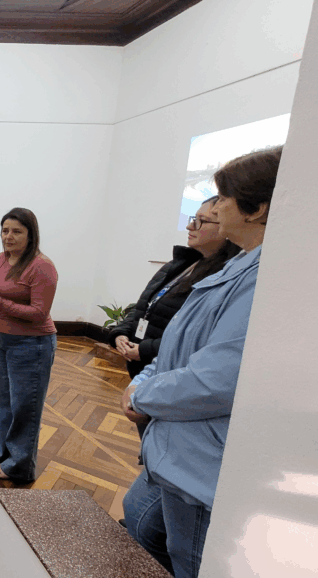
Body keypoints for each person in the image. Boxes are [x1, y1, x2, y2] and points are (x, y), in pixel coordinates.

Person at [121, 147, 279, 578]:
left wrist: (144, 391)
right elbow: (178, 345)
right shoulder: (238, 264)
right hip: (176, 445)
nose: (215, 207)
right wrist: (148, 377)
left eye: (223, 198)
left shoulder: (269, 276)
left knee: (193, 560)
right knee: (142, 524)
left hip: (201, 458)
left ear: (256, 208)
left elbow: (217, 379)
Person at [109, 197, 239, 432]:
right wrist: (121, 333)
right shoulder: (181, 263)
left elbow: (196, 337)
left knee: (159, 438)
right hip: (144, 368)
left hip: (170, 376)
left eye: (201, 221)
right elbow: (143, 307)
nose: (190, 227)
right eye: (193, 219)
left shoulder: (223, 277)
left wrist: (145, 350)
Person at [0, 208, 58, 484]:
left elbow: (39, 313)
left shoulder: (41, 266)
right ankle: (3, 451)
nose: (8, 236)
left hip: (31, 343)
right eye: (5, 230)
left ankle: (20, 465)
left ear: (31, 234)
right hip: (0, 339)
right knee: (0, 400)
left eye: (16, 231)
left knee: (25, 406)